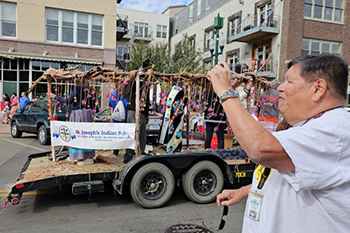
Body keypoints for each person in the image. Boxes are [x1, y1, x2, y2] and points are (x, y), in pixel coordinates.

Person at [208, 54, 350, 232]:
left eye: (289, 82)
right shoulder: (310, 126)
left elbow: (259, 148)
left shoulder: (335, 128)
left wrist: (225, 91)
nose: (280, 88)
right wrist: (245, 191)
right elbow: (297, 175)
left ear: (318, 88)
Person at [47, 78, 95, 165]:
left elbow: (68, 101)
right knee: (87, 134)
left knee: (77, 134)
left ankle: (78, 155)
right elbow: (93, 104)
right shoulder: (91, 89)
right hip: (88, 114)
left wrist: (55, 97)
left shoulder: (77, 88)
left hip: (78, 114)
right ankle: (88, 154)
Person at [124, 79, 149, 163]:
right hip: (133, 111)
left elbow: (147, 100)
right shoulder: (134, 83)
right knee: (131, 134)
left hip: (142, 113)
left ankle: (141, 153)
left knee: (142, 134)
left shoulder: (145, 87)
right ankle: (128, 155)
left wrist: (146, 114)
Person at [108, 87, 128, 156]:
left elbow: (110, 104)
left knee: (116, 135)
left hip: (115, 118)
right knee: (126, 134)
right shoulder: (126, 93)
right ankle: (127, 151)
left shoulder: (113, 93)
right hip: (124, 118)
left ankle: (115, 151)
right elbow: (127, 104)